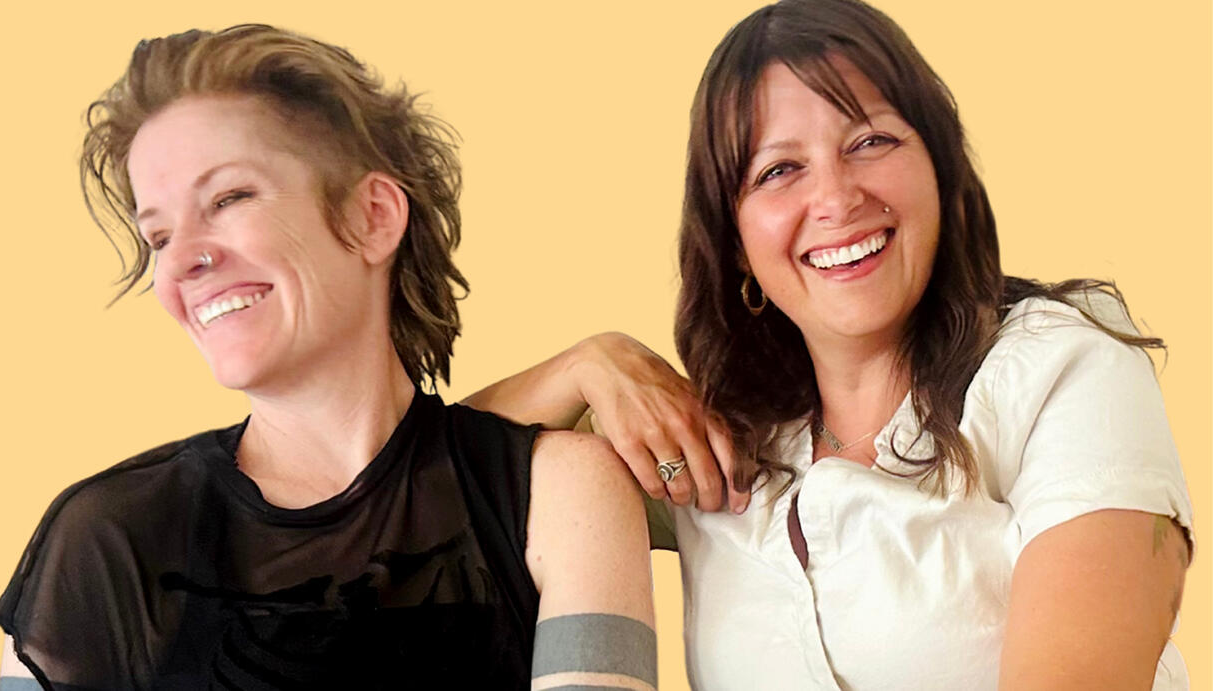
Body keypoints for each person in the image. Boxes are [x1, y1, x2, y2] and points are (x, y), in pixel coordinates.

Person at [467, 0, 1194, 688]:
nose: (838, 198)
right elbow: (435, 482)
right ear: (736, 241)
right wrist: (585, 364)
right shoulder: (718, 444)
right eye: (779, 170)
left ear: (940, 168)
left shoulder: (1065, 369)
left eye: (871, 142)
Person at [0, 25, 656, 691]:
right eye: (159, 236)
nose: (184, 259)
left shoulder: (561, 493)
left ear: (373, 217)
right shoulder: (107, 535)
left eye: (229, 199)